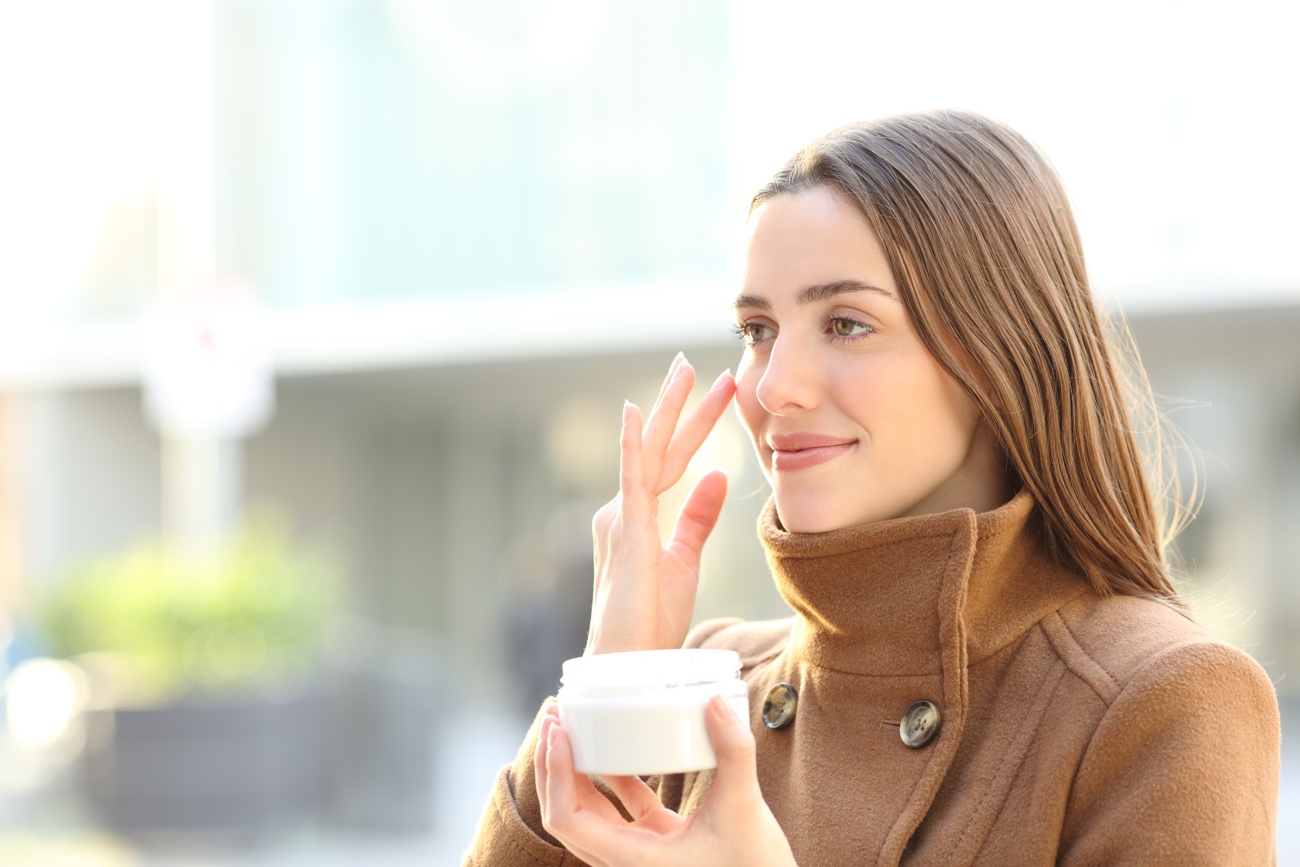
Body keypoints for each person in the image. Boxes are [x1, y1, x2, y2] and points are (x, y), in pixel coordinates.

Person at [463, 110, 1281, 865]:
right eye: (758, 330)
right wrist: (613, 685)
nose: (775, 385)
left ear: (997, 353)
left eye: (847, 323)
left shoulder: (1160, 701)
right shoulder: (703, 681)